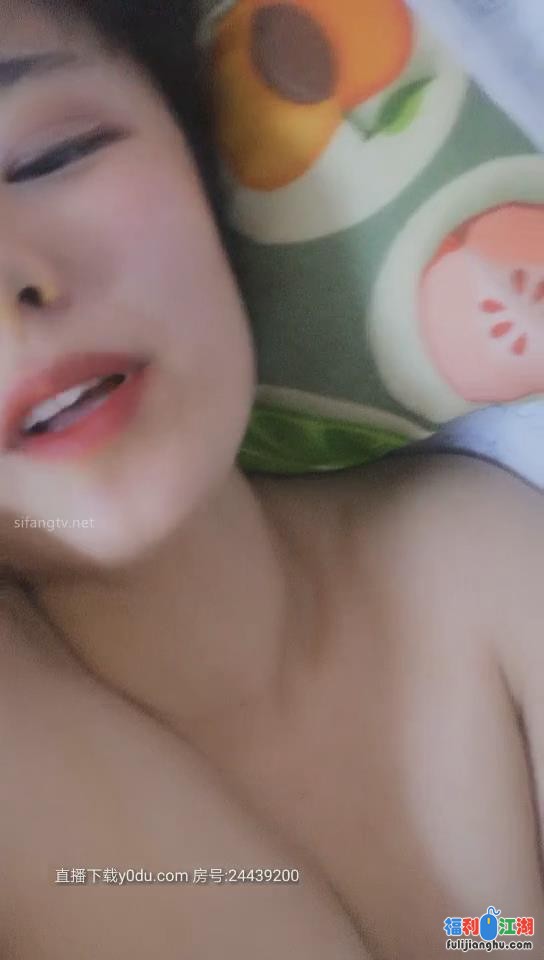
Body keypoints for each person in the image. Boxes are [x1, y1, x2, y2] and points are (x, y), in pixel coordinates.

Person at [0, 2, 542, 958]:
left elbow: (492, 938)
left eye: (50, 157)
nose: (14, 287)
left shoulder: (482, 557)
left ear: (201, 156)